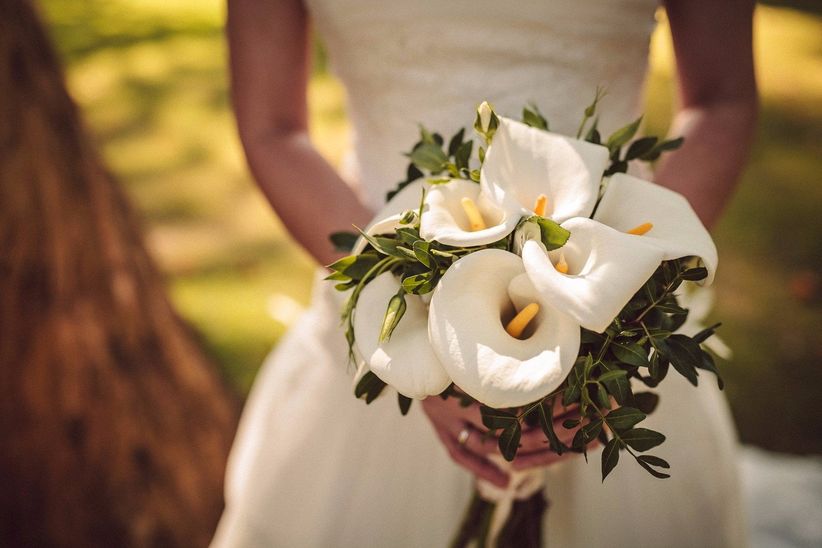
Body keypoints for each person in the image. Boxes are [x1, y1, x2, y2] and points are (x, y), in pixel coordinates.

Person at [212, 0, 758, 546]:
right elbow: (273, 129)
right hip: (390, 291)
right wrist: (414, 342)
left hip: (617, 284)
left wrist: (616, 307)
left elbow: (721, 99)